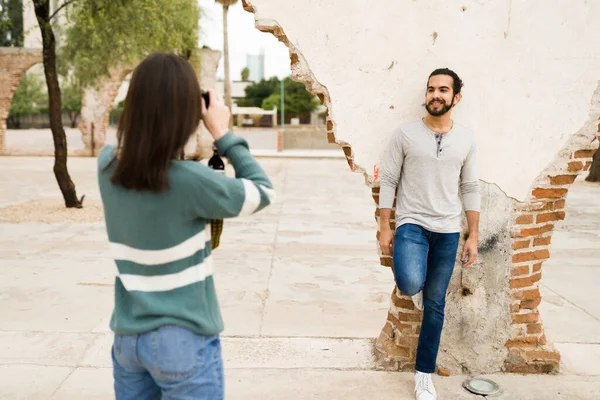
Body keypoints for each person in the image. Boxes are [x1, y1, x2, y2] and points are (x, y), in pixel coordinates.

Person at [97, 52, 275, 400]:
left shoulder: (107, 167)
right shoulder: (190, 182)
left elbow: (133, 149)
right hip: (182, 341)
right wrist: (221, 131)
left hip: (128, 340)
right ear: (187, 113)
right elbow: (262, 190)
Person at [378, 68, 480, 400]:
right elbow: (389, 180)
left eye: (443, 90)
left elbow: (470, 187)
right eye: (431, 89)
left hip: (449, 230)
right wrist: (384, 225)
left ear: (456, 97)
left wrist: (473, 235)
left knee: (436, 304)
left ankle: (424, 375)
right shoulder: (405, 134)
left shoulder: (466, 138)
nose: (435, 95)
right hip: (412, 224)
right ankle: (418, 291)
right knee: (409, 282)